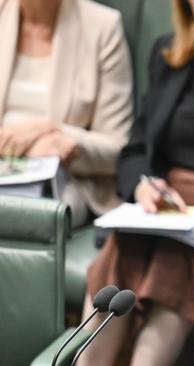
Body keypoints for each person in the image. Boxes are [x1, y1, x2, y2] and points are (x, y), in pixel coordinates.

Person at [80, 0, 194, 365]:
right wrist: (144, 185)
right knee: (124, 248)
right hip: (164, 210)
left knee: (175, 261)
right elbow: (135, 149)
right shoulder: (170, 56)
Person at [0, 0, 133, 228]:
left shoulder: (102, 27)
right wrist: (31, 146)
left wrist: (55, 133)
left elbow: (117, 150)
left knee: (34, 215)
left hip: (64, 182)